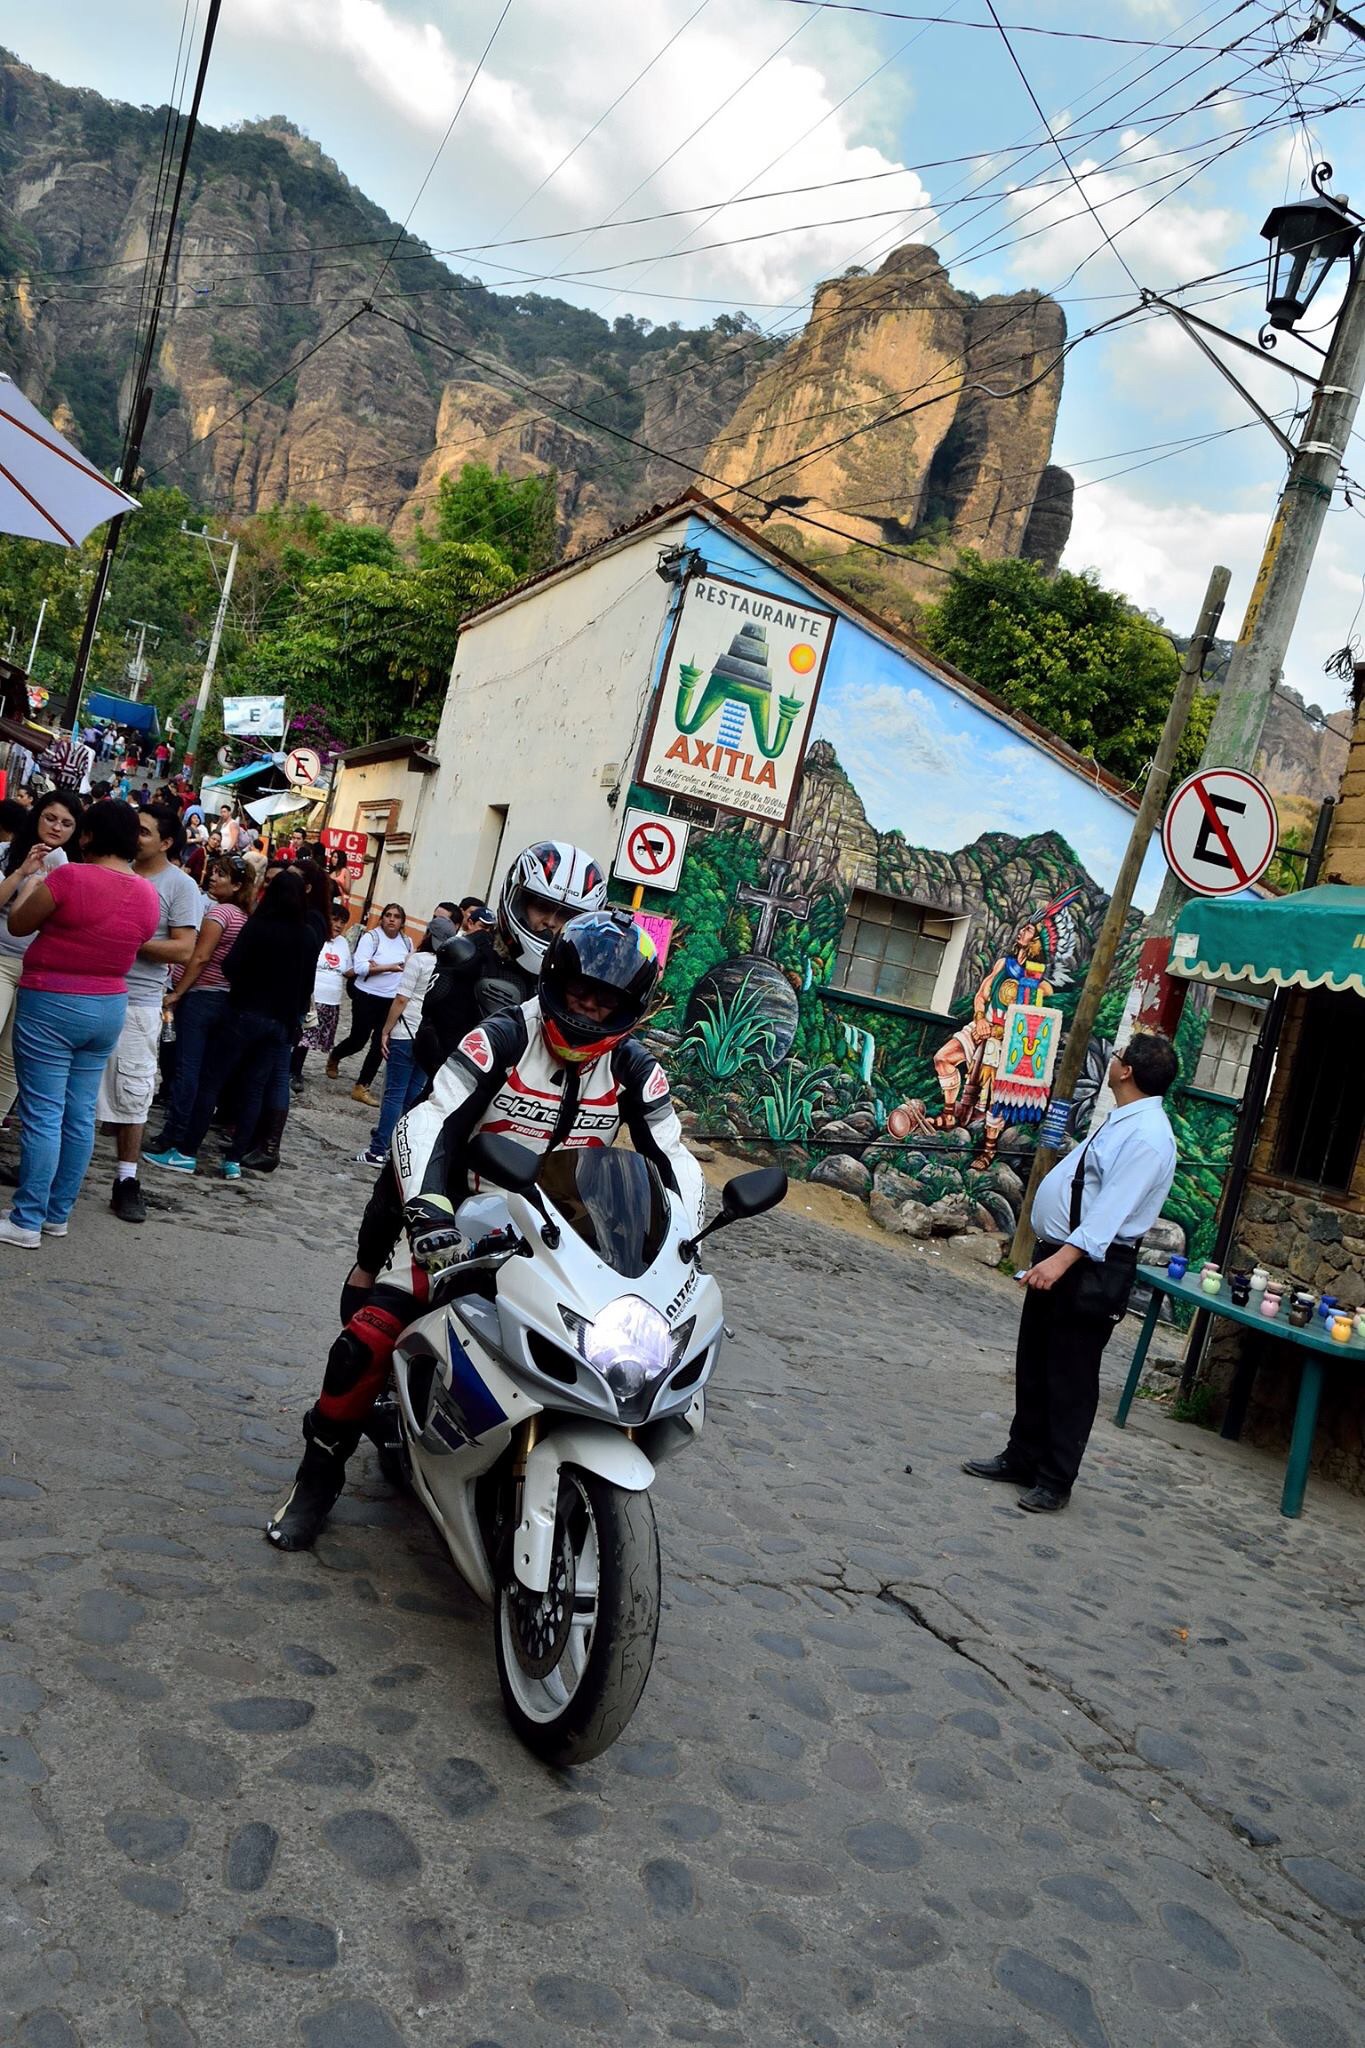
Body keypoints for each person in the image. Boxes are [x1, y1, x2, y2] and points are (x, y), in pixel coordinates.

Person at [267, 907, 699, 1548]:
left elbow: (674, 1159)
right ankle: (317, 1479)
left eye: (608, 1000)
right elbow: (429, 1121)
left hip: (571, 1241)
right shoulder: (499, 1036)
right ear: (553, 979)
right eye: (580, 990)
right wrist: (428, 1213)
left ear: (630, 1006)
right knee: (363, 1342)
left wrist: (682, 1242)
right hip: (465, 1226)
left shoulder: (638, 1070)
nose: (589, 1009)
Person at [963, 1034, 1180, 1514]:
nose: (1114, 1059)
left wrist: (1062, 1261)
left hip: (1089, 1267)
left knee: (1071, 1375)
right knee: (1036, 1361)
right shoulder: (1124, 1120)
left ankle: (1055, 1478)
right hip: (1062, 1255)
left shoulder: (1148, 1135)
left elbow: (1111, 1210)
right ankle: (1022, 1457)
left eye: (1119, 1055)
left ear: (1126, 1071)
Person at [0, 802, 159, 1248]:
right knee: (79, 1113)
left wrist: (36, 883)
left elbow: (18, 924)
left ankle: (27, 1218)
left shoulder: (69, 877)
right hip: (109, 1004)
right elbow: (141, 937)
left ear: (86, 836)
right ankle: (56, 1213)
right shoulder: (147, 892)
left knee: (43, 1113)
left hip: (52, 999)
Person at [144, 869, 318, 1181]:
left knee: (211, 1082)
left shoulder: (258, 927)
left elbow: (231, 965)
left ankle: (185, 1152)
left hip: (244, 1012)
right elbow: (307, 984)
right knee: (254, 1088)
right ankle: (234, 1159)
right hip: (280, 1023)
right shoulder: (308, 936)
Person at [94, 805, 203, 1224]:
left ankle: (126, 1181)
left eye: (143, 831)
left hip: (138, 1001)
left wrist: (124, 939)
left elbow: (182, 949)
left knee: (133, 1094)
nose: (134, 837)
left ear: (166, 842)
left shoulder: (180, 886)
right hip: (89, 990)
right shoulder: (107, 868)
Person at [150, 855, 253, 1155]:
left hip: (200, 995)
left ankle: (175, 1132)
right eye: (215, 872)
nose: (213, 877)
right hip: (222, 996)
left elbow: (200, 957)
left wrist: (178, 992)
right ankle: (186, 1131)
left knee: (187, 1069)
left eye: (222, 875)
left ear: (236, 885)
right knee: (201, 1071)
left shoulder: (220, 914)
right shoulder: (243, 916)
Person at [0, 790, 82, 1119]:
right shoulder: (6, 853)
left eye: (66, 823)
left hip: (41, 971)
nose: (56, 828)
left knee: (11, 1057)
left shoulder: (75, 869)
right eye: (50, 818)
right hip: (3, 957)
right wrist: (22, 872)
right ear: (37, 816)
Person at [355, 914, 455, 1167]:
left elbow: (402, 998)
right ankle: (400, 1152)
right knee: (413, 1097)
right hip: (430, 1037)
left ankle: (378, 1150)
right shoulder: (451, 967)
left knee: (394, 1095)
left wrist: (386, 1030)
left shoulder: (418, 960)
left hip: (406, 1031)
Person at [326, 903, 412, 1107]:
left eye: (396, 916)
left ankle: (362, 1086)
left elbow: (408, 968)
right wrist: (387, 968)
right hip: (366, 995)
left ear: (402, 922)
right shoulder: (371, 938)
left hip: (390, 999)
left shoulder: (407, 943)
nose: (392, 919)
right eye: (388, 915)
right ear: (382, 918)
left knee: (379, 1044)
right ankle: (336, 1055)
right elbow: (360, 967)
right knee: (358, 1038)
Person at [293, 904, 353, 1090]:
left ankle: (294, 1069)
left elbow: (348, 970)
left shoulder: (343, 943)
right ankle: (293, 1071)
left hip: (331, 1000)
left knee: (310, 1040)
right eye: (335, 919)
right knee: (303, 1038)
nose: (338, 925)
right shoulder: (315, 937)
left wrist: (370, 967)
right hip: (312, 997)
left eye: (342, 922)